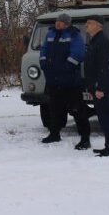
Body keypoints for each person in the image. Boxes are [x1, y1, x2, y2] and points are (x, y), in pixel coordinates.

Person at [39, 12, 91, 149]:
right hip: (53, 81)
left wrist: (67, 66)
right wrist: (43, 61)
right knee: (55, 109)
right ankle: (54, 134)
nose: (57, 23)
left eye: (60, 22)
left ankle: (85, 138)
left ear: (67, 24)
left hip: (71, 82)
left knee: (77, 110)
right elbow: (43, 49)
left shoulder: (74, 35)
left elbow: (78, 53)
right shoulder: (50, 34)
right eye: (57, 21)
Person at [84, 15, 109, 157]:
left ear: (98, 25)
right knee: (103, 120)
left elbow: (104, 67)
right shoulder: (94, 41)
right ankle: (108, 146)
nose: (87, 25)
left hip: (103, 89)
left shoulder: (103, 42)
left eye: (89, 23)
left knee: (107, 120)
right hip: (97, 88)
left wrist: (100, 88)